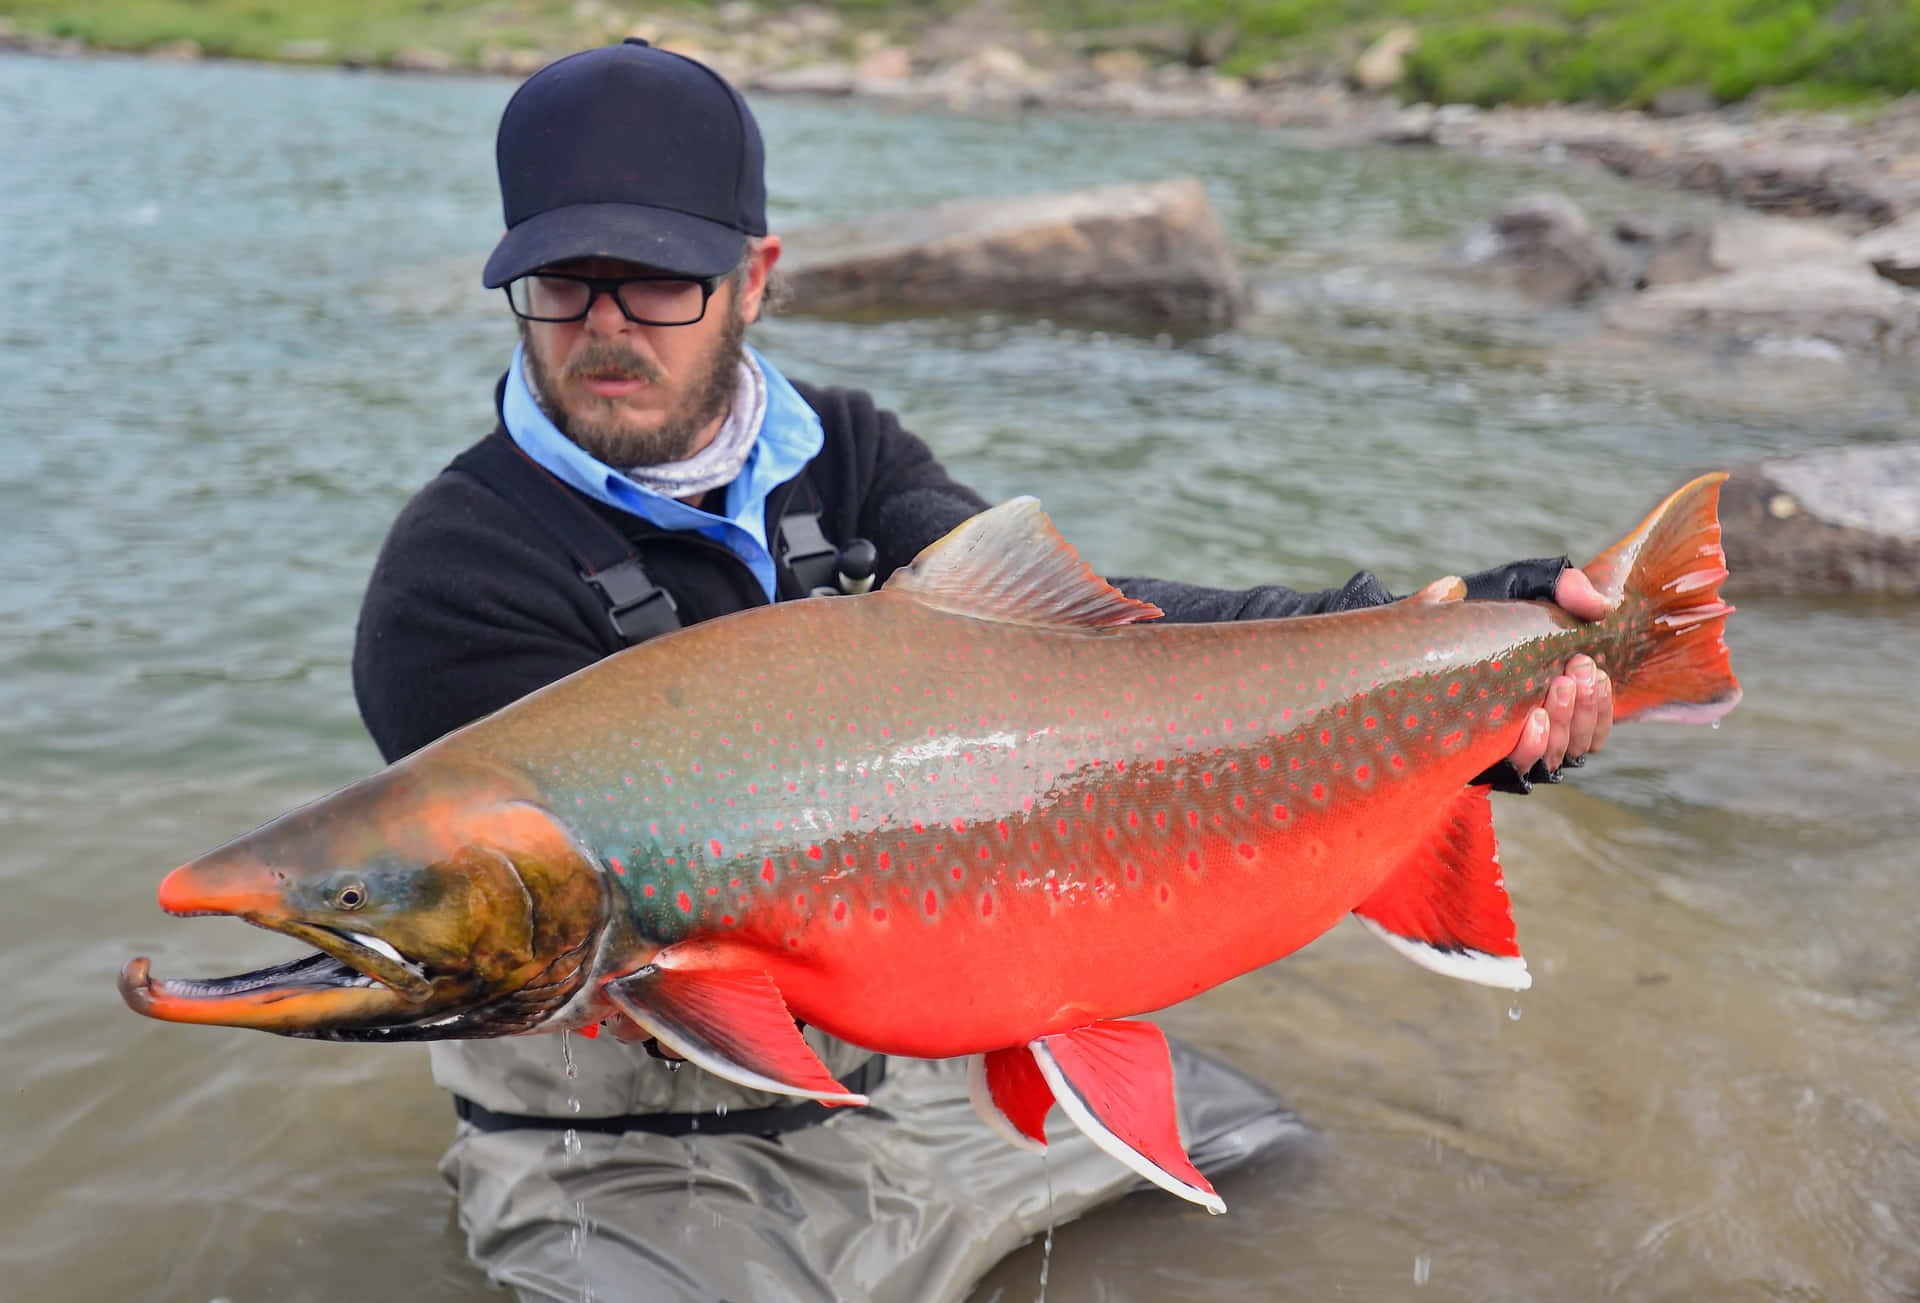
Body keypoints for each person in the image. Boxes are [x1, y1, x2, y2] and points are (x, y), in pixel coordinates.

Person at [352, 39, 1614, 1303]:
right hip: (632, 1153)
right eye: (564, 286)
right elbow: (554, 964)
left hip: (901, 1088)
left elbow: (1087, 649)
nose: (607, 329)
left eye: (659, 283)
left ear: (756, 279)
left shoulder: (845, 445)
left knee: (1265, 1159)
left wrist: (1425, 638)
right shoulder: (450, 577)